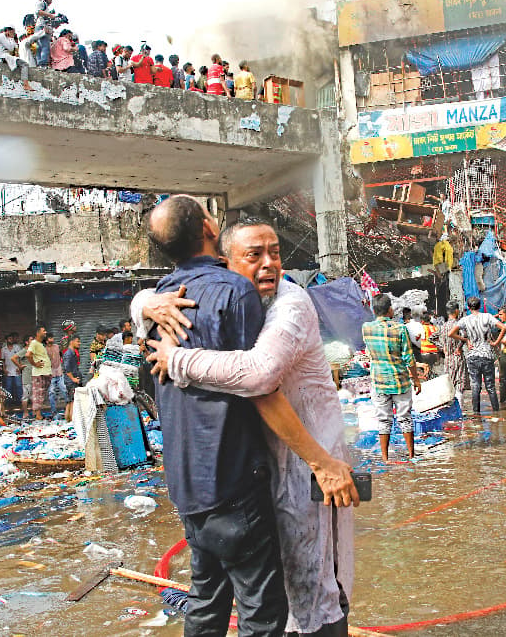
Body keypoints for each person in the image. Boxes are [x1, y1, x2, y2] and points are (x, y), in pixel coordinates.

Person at [141, 195, 352, 635]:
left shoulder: (289, 305)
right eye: (254, 256)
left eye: (275, 253)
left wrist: (176, 358)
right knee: (268, 601)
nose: (269, 265)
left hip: (305, 460)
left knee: (315, 581)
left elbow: (259, 374)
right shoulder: (226, 296)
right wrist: (143, 303)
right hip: (252, 472)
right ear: (223, 257)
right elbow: (255, 381)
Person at [364, 293, 422, 461]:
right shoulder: (400, 328)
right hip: (400, 381)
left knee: (384, 420)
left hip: (379, 381)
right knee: (405, 418)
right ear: (390, 309)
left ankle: (385, 458)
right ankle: (411, 455)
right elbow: (408, 358)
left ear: (374, 311)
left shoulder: (366, 328)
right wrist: (416, 379)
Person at [450, 296, 506, 415]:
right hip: (486, 355)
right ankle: (496, 412)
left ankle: (476, 413)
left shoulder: (464, 320)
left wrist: (465, 340)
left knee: (475, 385)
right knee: (490, 386)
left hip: (472, 356)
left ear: (469, 307)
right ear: (480, 306)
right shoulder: (487, 317)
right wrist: (496, 342)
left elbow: (451, 333)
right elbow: (504, 327)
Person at [434, 301, 466, 407]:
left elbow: (432, 338)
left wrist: (442, 347)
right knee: (459, 383)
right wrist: (459, 347)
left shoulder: (443, 326)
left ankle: (450, 407)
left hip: (448, 358)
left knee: (449, 383)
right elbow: (464, 337)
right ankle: (460, 408)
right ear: (456, 311)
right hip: (457, 357)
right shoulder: (458, 325)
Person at [0, 27, 33, 91]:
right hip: (2, 57)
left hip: (3, 56)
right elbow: (11, 48)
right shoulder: (2, 37)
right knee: (24, 64)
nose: (13, 34)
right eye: (12, 32)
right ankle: (26, 84)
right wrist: (11, 38)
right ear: (8, 31)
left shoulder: (4, 37)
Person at [24, 326, 50, 421]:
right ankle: (38, 415)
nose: (45, 332)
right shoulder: (34, 343)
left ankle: (38, 413)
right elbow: (28, 355)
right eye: (44, 331)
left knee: (42, 394)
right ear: (38, 333)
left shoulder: (40, 344)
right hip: (39, 373)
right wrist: (35, 364)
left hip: (44, 372)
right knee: (38, 393)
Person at [33, 0, 57, 67]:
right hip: (42, 26)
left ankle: (40, 62)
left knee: (40, 46)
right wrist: (50, 15)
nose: (51, 1)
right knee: (44, 45)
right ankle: (43, 63)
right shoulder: (41, 3)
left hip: (41, 26)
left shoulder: (45, 6)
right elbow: (38, 12)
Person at [46, 336, 68, 418]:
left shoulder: (57, 347)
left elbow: (62, 354)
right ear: (47, 340)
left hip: (59, 372)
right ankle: (53, 411)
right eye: (50, 338)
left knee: (64, 390)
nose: (52, 339)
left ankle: (68, 409)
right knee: (51, 393)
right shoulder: (44, 349)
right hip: (51, 374)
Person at [62, 335, 82, 420]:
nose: (79, 343)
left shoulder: (72, 353)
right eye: (77, 341)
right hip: (71, 381)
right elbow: (67, 368)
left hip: (71, 380)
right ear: (71, 342)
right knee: (73, 402)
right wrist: (73, 378)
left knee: (69, 402)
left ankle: (69, 421)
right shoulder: (68, 354)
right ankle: (72, 421)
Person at [1, 332, 23, 405]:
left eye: (12, 339)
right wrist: (4, 369)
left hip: (17, 370)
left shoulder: (17, 347)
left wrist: (19, 367)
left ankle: (19, 402)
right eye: (9, 339)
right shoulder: (3, 349)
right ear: (6, 340)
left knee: (19, 386)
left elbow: (20, 359)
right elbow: (3, 361)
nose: (11, 340)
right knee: (8, 387)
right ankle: (8, 402)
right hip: (8, 371)